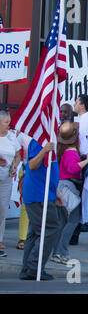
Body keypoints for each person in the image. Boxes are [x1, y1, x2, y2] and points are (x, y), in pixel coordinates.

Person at [50, 122, 88, 265]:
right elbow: (73, 168)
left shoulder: (63, 150)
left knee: (62, 222)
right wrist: (87, 160)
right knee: (72, 221)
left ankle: (57, 252)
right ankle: (60, 252)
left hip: (62, 188)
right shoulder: (71, 152)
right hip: (69, 189)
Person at [19, 139, 60, 280]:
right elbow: (32, 165)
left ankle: (28, 268)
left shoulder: (46, 140)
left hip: (44, 193)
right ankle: (34, 267)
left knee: (35, 232)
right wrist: (44, 150)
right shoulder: (40, 141)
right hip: (39, 195)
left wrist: (56, 193)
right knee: (50, 228)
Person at [71, 95, 88, 244]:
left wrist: (82, 159)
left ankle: (76, 231)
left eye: (76, 102)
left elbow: (83, 142)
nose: (74, 104)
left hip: (83, 158)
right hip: (81, 157)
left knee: (80, 195)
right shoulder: (82, 119)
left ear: (82, 105)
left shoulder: (85, 120)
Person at [0, 110, 21, 257]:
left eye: (9, 122)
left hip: (6, 177)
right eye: (6, 122)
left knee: (2, 208)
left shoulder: (12, 136)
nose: (9, 125)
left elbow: (18, 154)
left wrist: (14, 165)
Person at [15, 131, 32, 250]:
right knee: (25, 206)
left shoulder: (47, 130)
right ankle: (23, 237)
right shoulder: (22, 135)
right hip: (26, 172)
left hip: (42, 173)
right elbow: (15, 153)